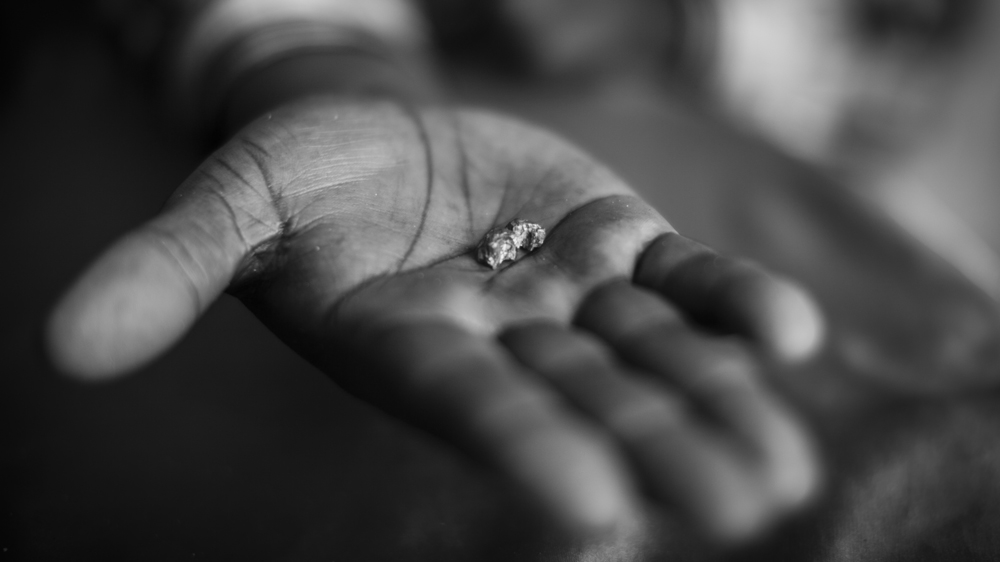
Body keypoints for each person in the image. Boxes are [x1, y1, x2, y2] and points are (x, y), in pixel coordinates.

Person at [45, 0, 828, 545]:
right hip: (252, 100)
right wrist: (311, 54)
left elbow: (888, 42)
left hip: (701, 148)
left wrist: (703, 24)